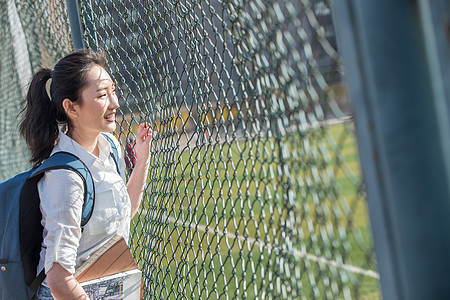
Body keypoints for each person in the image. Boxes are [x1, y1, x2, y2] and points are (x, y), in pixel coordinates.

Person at [19, 49, 152, 299]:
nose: (115, 103)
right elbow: (59, 278)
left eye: (113, 91)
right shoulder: (65, 177)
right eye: (102, 95)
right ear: (72, 108)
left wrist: (142, 160)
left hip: (107, 286)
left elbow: (123, 212)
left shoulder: (111, 146)